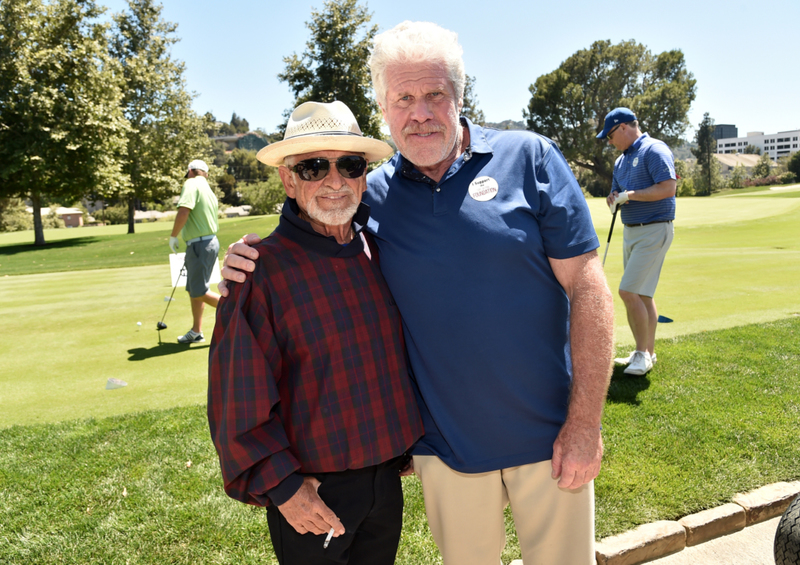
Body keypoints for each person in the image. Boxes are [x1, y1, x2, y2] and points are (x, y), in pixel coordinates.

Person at [220, 21, 614, 565]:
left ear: (459, 96)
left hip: (550, 441)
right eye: (403, 97)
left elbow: (589, 288)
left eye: (434, 94)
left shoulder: (531, 158)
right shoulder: (373, 197)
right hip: (442, 452)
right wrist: (242, 259)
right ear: (384, 106)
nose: (420, 112)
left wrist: (586, 424)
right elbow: (312, 224)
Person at [207, 100, 424, 565]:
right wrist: (285, 490)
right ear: (288, 179)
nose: (333, 180)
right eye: (311, 167)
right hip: (313, 490)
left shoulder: (380, 251)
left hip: (386, 481)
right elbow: (237, 404)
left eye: (348, 164)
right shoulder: (258, 274)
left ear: (363, 175)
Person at [597, 107, 677, 376]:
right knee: (642, 294)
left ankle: (641, 354)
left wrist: (630, 195)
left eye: (609, 136)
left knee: (627, 292)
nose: (609, 142)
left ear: (623, 128)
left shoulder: (654, 150)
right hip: (631, 230)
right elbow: (616, 192)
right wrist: (614, 199)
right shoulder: (621, 161)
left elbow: (668, 188)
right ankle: (647, 352)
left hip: (654, 229)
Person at [169, 159, 221, 344]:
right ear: (205, 173)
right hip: (203, 243)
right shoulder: (208, 188)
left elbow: (184, 210)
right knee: (195, 290)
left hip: (201, 245)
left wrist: (174, 235)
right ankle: (196, 331)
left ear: (190, 171)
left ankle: (238, 309)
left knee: (199, 291)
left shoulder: (191, 183)